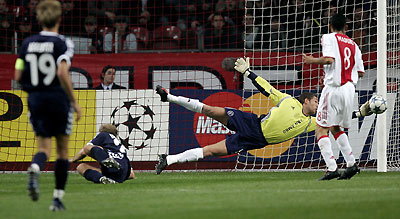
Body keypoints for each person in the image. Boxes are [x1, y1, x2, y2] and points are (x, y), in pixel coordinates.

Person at [155, 56, 319, 174]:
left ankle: (168, 160)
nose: (317, 105)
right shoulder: (288, 100)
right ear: (306, 101)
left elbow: (334, 121)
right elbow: (266, 88)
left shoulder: (311, 122)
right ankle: (169, 97)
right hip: (252, 123)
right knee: (211, 110)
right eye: (315, 101)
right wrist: (248, 73)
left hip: (255, 140)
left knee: (210, 151)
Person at [14, 0, 81, 211]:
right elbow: (62, 72)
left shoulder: (26, 44)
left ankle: (35, 166)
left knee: (43, 148)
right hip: (58, 99)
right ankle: (57, 199)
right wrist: (74, 101)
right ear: (59, 18)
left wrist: (34, 91)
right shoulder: (63, 43)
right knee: (62, 151)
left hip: (35, 99)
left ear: (39, 19)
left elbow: (17, 75)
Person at [303, 13, 365, 180]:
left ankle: (332, 168)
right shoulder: (353, 45)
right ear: (346, 27)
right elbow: (360, 72)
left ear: (330, 26)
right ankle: (351, 165)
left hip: (334, 88)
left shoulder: (329, 37)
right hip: (349, 90)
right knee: (336, 127)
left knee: (320, 128)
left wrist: (312, 60)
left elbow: (330, 60)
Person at [71, 124, 135, 184]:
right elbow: (131, 175)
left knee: (81, 165)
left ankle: (101, 175)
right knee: (97, 155)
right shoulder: (122, 149)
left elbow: (83, 152)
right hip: (121, 174)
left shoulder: (104, 135)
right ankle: (105, 178)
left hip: (110, 163)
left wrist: (72, 160)